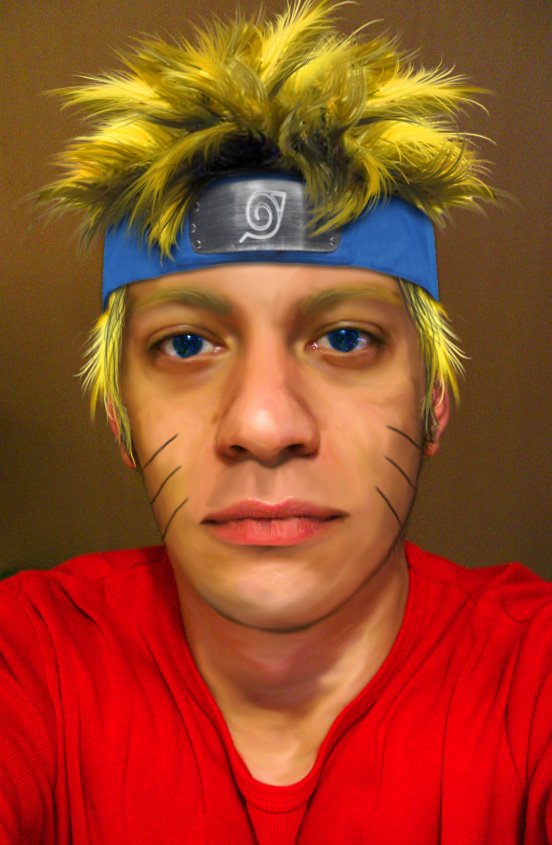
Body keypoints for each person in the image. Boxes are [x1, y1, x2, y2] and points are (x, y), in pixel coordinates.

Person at [1, 1, 551, 842]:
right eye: (187, 343)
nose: (262, 423)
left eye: (345, 338)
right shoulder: (29, 656)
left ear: (433, 403)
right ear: (119, 416)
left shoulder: (533, 674)